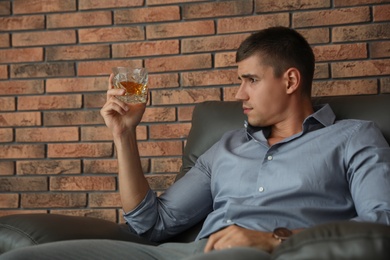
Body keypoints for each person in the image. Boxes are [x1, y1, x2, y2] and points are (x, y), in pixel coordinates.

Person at [1, 26, 389, 260]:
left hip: (262, 255)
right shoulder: (226, 145)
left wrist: (273, 240)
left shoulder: (354, 137)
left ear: (289, 81)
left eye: (250, 80)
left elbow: (381, 224)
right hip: (181, 254)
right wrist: (124, 135)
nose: (240, 93)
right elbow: (151, 226)